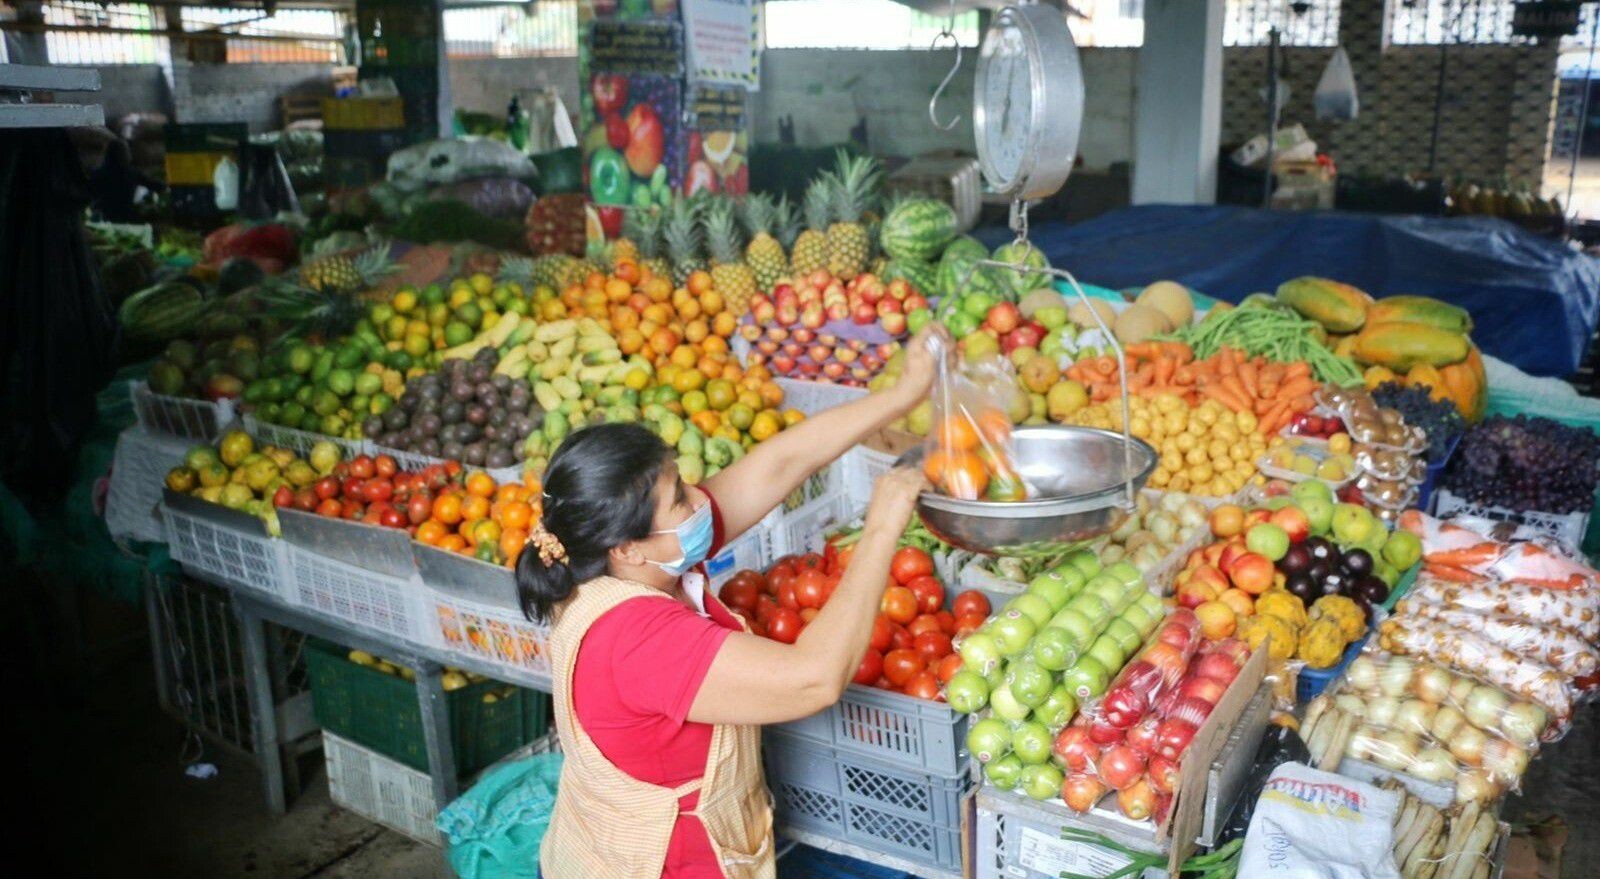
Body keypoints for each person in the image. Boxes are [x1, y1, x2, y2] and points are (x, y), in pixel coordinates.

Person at [518, 325, 949, 879]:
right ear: (626, 546)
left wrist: (902, 394)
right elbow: (814, 678)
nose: (702, 500)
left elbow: (781, 464)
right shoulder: (636, 639)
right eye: (679, 500)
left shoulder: (635, 563)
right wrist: (882, 526)